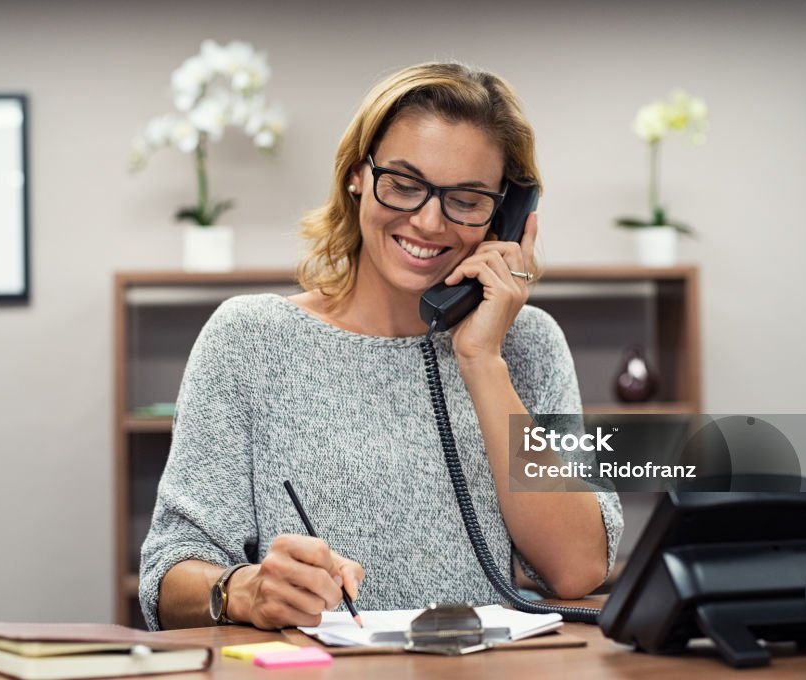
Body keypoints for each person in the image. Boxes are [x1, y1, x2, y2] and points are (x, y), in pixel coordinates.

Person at [139, 61, 623, 631]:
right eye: (403, 183)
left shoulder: (528, 343)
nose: (428, 220)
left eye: (466, 199)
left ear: (507, 214)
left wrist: (481, 359)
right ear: (357, 175)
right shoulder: (249, 338)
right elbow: (167, 575)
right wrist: (242, 590)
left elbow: (577, 570)